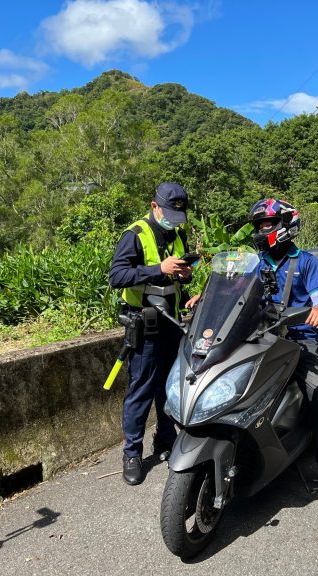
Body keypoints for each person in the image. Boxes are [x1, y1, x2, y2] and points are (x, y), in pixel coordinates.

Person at [249, 198, 318, 495]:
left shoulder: (306, 261)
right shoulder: (257, 262)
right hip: (263, 334)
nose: (262, 230)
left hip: (298, 337)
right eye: (259, 225)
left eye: (268, 224)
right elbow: (238, 290)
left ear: (286, 225)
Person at [109, 182, 198, 485]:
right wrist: (158, 268)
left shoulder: (177, 234)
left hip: (171, 323)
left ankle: (165, 437)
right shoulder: (135, 235)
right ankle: (132, 453)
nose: (174, 220)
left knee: (169, 386)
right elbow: (117, 276)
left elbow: (177, 277)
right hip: (144, 325)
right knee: (142, 390)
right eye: (170, 213)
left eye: (179, 215)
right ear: (154, 206)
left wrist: (186, 274)